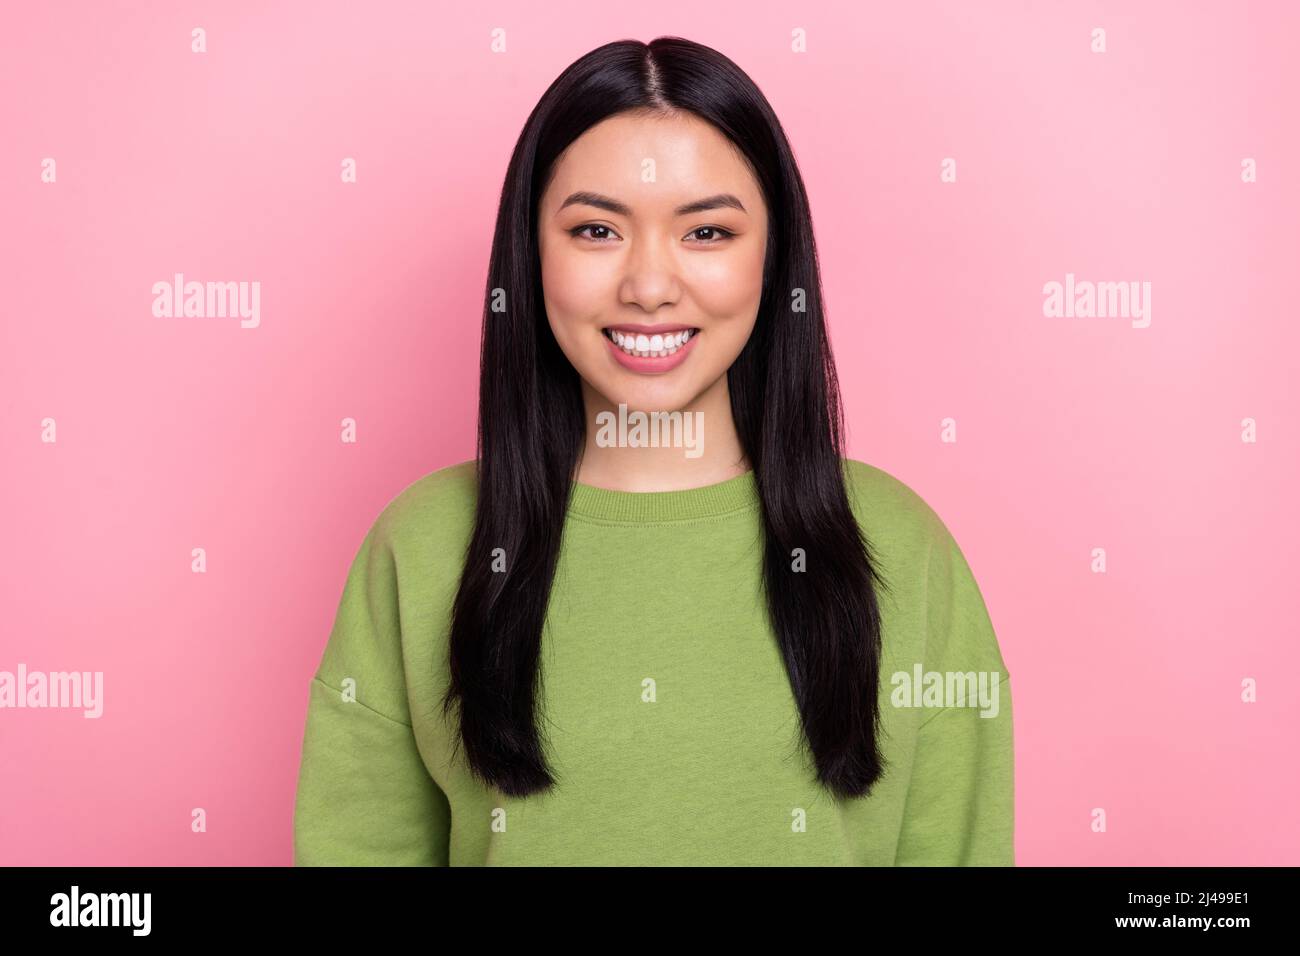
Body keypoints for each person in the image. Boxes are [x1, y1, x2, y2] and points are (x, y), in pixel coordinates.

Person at [292, 35, 1014, 866]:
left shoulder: (900, 545)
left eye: (706, 232)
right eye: (596, 229)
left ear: (774, 260)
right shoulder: (421, 546)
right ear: (531, 257)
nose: (648, 285)